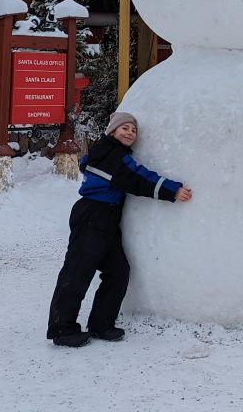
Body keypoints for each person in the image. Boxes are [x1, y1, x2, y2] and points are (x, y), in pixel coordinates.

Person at [47, 110, 192, 348]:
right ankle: (62, 328)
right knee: (77, 272)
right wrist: (172, 190)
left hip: (107, 217)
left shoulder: (110, 153)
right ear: (112, 131)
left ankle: (101, 324)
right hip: (93, 215)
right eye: (124, 128)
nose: (130, 133)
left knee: (118, 271)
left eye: (133, 130)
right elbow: (137, 178)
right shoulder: (111, 154)